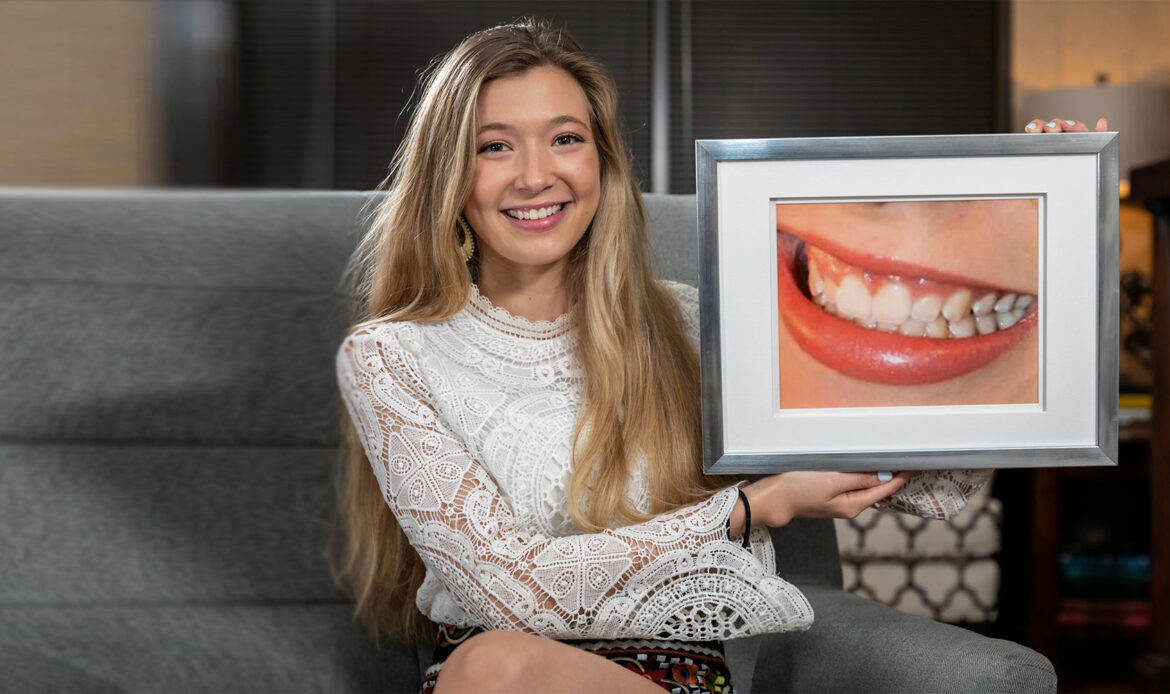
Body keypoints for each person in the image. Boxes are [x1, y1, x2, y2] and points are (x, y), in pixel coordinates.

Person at [333, 20, 1104, 694]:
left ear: (601, 163)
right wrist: (747, 509)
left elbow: (929, 490)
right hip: (488, 675)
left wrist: (1032, 217)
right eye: (493, 146)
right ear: (449, 178)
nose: (537, 175)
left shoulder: (699, 322)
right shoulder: (390, 356)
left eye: (566, 138)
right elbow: (505, 592)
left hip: (675, 673)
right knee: (496, 666)